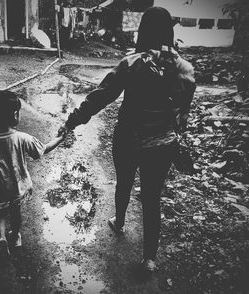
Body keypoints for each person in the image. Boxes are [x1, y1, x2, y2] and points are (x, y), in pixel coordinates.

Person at [58, 6, 196, 272]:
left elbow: (101, 96)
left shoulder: (130, 64)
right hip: (163, 144)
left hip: (128, 138)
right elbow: (182, 112)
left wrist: (74, 119)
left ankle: (119, 222)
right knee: (152, 198)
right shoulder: (184, 69)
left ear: (142, 31)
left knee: (124, 182)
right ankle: (149, 259)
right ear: (169, 31)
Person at [0, 90, 65, 256]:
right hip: (17, 187)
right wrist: (60, 138)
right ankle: (15, 235)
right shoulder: (22, 138)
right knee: (15, 214)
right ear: (15, 115)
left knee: (0, 212)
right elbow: (43, 149)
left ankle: (2, 237)